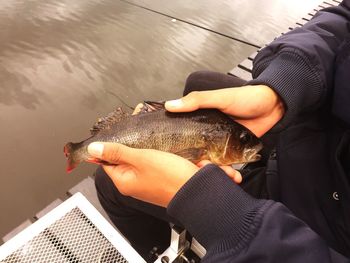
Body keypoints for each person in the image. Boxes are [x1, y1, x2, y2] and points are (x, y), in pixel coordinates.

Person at [90, 1, 350, 262]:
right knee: (199, 82)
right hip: (314, 142)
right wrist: (281, 87)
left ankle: (161, 254)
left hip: (310, 225)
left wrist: (214, 211)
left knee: (107, 181)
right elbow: (342, 19)